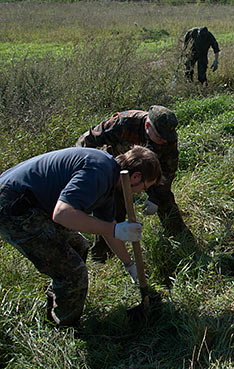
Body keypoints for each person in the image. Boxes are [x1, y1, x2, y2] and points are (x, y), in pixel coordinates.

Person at [0, 145, 162, 326]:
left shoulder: (109, 179)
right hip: (12, 206)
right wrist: (115, 230)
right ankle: (65, 327)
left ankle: (58, 300)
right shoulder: (99, 171)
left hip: (30, 204)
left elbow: (106, 228)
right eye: (144, 187)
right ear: (136, 177)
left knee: (78, 247)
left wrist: (130, 265)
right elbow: (62, 214)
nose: (139, 192)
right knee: (73, 271)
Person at [76, 105, 194, 262]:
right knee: (112, 211)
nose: (164, 140)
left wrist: (155, 198)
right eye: (160, 137)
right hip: (117, 170)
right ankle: (102, 258)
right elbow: (87, 140)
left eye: (167, 137)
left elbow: (168, 170)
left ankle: (183, 241)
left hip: (149, 171)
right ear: (147, 126)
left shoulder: (168, 137)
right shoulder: (122, 123)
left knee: (166, 201)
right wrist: (90, 170)